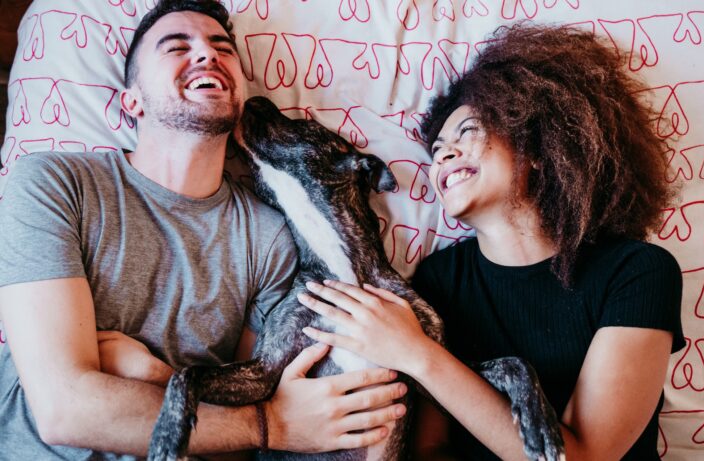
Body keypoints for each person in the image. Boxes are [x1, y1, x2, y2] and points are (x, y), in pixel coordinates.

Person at [0, 1, 406, 459]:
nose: (207, 54)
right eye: (176, 46)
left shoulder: (270, 239)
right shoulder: (55, 182)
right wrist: (272, 424)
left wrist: (153, 374)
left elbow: (237, 442)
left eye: (222, 48)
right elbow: (63, 410)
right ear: (131, 100)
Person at [298, 24, 685, 461]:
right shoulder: (440, 280)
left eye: (468, 132)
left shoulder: (637, 271)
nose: (444, 155)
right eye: (437, 149)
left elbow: (584, 456)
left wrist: (416, 353)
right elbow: (432, 449)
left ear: (539, 149)